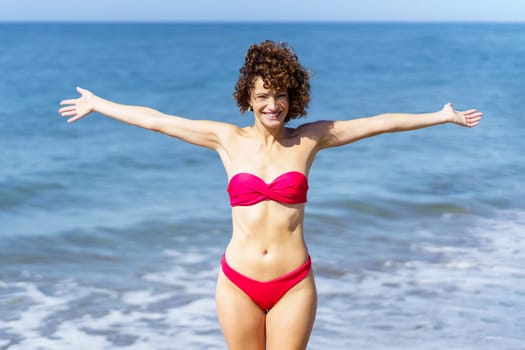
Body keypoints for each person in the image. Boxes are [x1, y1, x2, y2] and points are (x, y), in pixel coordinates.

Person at [59, 40, 482, 350]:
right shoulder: (225, 139)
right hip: (237, 282)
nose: (272, 104)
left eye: (280, 94)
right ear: (248, 98)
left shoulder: (311, 139)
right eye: (263, 95)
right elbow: (158, 120)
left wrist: (441, 116)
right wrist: (100, 104)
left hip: (293, 283)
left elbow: (378, 122)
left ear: (291, 97)